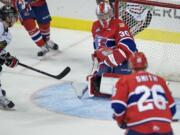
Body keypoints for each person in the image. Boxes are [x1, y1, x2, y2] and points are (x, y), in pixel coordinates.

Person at [111, 52, 176, 135]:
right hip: (165, 130)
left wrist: (121, 121)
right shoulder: (161, 80)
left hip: (139, 128)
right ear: (146, 64)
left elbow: (118, 106)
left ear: (130, 65)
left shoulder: (125, 80)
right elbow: (172, 108)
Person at [87, 1, 138, 96]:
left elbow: (129, 46)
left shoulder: (119, 24)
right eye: (101, 15)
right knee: (97, 82)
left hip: (124, 60)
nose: (104, 17)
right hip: (108, 60)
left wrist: (113, 58)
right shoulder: (95, 26)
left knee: (122, 85)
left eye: (106, 14)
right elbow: (97, 47)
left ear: (111, 13)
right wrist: (98, 61)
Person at [0, 5, 19, 109]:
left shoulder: (8, 36)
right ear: (7, 17)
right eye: (13, 16)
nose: (15, 19)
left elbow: (0, 48)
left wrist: (7, 57)